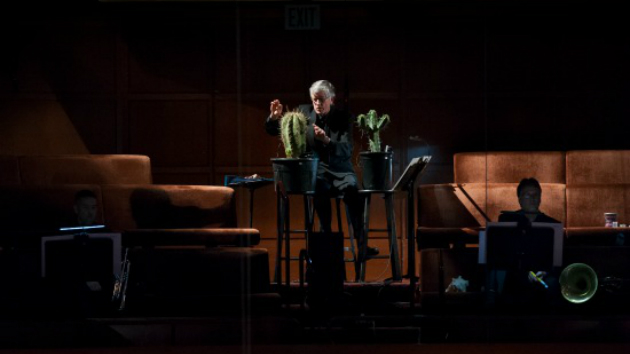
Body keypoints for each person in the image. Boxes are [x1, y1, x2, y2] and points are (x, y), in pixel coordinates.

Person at [265, 80, 378, 260]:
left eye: (321, 100)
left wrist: (327, 140)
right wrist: (274, 118)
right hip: (316, 171)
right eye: (314, 100)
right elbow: (279, 130)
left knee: (352, 190)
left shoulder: (344, 117)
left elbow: (346, 150)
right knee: (318, 187)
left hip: (341, 171)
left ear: (331, 99)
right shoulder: (303, 113)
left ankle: (362, 245)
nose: (317, 104)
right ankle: (326, 240)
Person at [486, 177, 561, 310]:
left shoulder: (552, 225)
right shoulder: (507, 223)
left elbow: (556, 259)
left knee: (552, 284)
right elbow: (500, 256)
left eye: (536, 195)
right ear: (519, 199)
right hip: (514, 276)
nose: (532, 198)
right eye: (527, 195)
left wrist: (544, 272)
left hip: (542, 277)